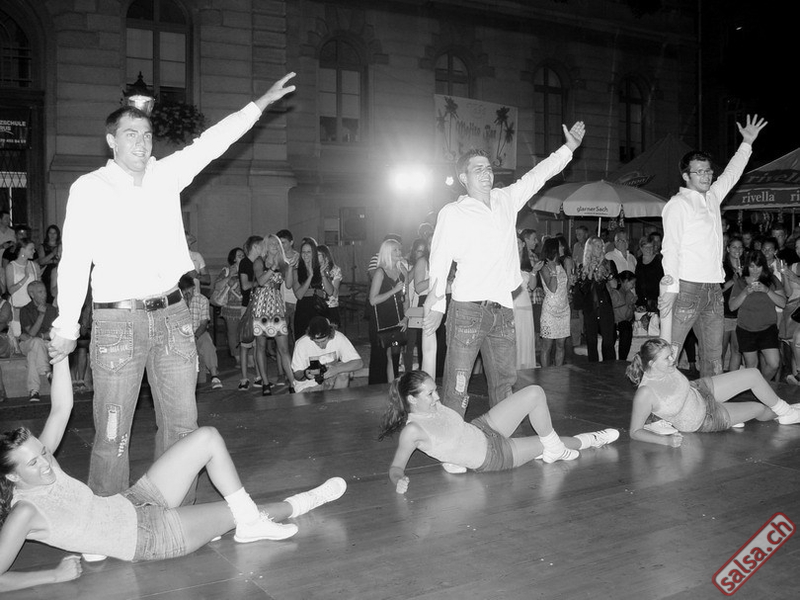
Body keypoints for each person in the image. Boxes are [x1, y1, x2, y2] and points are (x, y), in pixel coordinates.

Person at [49, 73, 298, 500]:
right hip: (118, 323)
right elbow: (73, 261)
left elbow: (213, 141)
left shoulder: (166, 174)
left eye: (147, 135)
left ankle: (174, 511)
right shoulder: (89, 188)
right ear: (111, 141)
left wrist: (259, 105)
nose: (141, 143)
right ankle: (107, 521)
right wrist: (67, 326)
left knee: (183, 428)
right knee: (112, 434)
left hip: (173, 317)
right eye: (131, 134)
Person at [0, 357, 347, 592]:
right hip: (149, 538)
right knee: (243, 513)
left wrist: (61, 355)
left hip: (134, 500)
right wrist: (54, 575)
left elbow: (61, 409)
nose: (46, 462)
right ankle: (304, 501)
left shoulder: (43, 464)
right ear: (13, 478)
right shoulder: (25, 512)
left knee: (207, 438)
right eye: (33, 464)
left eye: (43, 452)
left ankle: (247, 521)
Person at [424, 121, 585, 416]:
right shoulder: (453, 212)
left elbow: (538, 175)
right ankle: (451, 438)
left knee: (504, 385)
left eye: (488, 168)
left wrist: (568, 148)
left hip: (503, 310)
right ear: (463, 177)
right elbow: (439, 259)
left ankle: (500, 434)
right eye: (478, 169)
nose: (486, 173)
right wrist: (435, 305)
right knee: (457, 387)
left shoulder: (505, 199)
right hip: (468, 310)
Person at [380, 371, 619, 493]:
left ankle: (554, 447)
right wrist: (399, 480)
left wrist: (450, 459)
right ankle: (592, 439)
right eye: (430, 394)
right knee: (547, 443)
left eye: (435, 390)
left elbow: (451, 432)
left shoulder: (434, 405)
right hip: (494, 456)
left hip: (484, 427)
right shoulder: (412, 431)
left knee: (535, 393)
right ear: (412, 399)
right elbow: (396, 468)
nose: (437, 396)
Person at [659, 115, 768, 377]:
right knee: (668, 355)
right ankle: (656, 401)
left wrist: (746, 143)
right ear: (686, 176)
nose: (706, 176)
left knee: (713, 358)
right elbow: (670, 248)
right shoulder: (678, 204)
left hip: (713, 289)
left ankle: (710, 402)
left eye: (708, 171)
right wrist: (671, 289)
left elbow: (731, 173)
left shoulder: (712, 197)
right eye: (699, 172)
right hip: (686, 288)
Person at [625, 338, 800, 447]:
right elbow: (635, 431)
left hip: (700, 390)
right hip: (704, 418)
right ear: (652, 364)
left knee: (753, 374)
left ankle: (786, 411)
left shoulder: (664, 366)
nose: (673, 359)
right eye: (667, 358)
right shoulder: (645, 393)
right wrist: (666, 441)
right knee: (759, 408)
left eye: (671, 354)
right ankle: (785, 413)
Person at [728, 250, 785, 380]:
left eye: (758, 266)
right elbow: (732, 306)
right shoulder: (741, 281)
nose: (755, 270)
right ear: (747, 266)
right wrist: (745, 292)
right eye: (752, 266)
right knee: (752, 366)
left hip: (767, 328)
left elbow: (782, 303)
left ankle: (760, 384)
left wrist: (767, 290)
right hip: (746, 329)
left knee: (774, 363)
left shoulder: (771, 280)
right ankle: (756, 386)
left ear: (763, 266)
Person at [254, 234, 294, 394]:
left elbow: (289, 285)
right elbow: (261, 281)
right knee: (261, 346)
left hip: (276, 304)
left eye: (277, 243)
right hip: (261, 304)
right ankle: (265, 383)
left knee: (283, 348)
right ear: (265, 245)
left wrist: (289, 268)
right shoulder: (259, 261)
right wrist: (272, 268)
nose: (275, 246)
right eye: (271, 243)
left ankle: (293, 383)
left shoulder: (283, 263)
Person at [369, 238, 408, 382]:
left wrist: (406, 318)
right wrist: (393, 291)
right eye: (395, 250)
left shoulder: (403, 271)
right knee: (380, 357)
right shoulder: (380, 272)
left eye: (399, 249)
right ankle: (377, 388)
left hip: (398, 319)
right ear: (387, 253)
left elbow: (406, 298)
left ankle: (393, 387)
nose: (399, 252)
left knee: (394, 356)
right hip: (381, 319)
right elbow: (373, 300)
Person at [291, 316, 363, 392]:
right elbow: (297, 375)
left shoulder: (338, 337)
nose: (321, 345)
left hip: (331, 380)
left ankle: (337, 398)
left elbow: (359, 363)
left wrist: (336, 369)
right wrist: (306, 373)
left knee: (344, 371)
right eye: (316, 342)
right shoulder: (302, 343)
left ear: (330, 335)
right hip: (308, 386)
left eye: (323, 341)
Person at [574, 236, 616, 362]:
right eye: (597, 246)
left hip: (605, 307)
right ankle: (593, 370)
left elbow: (615, 285)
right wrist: (590, 272)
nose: (601, 248)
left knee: (608, 342)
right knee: (591, 343)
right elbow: (583, 290)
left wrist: (607, 273)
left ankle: (610, 368)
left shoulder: (608, 263)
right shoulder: (582, 267)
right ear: (590, 248)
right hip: (590, 308)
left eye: (601, 246)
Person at [178, 275, 222, 389]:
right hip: (180, 334)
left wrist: (195, 336)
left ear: (193, 287)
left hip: (198, 332)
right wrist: (185, 304)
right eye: (184, 290)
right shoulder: (177, 302)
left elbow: (203, 324)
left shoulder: (202, 300)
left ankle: (214, 376)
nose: (187, 293)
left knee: (207, 344)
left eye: (189, 289)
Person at [19, 281, 58, 402]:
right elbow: (31, 332)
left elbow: (53, 332)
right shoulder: (25, 310)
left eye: (45, 291)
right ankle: (46, 371)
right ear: (32, 294)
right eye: (40, 292)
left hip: (43, 343)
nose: (44, 294)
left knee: (33, 354)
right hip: (27, 344)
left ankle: (34, 391)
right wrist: (41, 315)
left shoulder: (51, 309)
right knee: (35, 342)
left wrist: (40, 335)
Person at [293, 237, 331, 342]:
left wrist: (322, 274)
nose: (306, 254)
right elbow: (299, 295)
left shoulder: (321, 268)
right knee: (303, 341)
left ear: (313, 253)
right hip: (303, 309)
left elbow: (330, 291)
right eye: (303, 252)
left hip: (319, 308)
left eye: (309, 252)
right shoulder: (296, 271)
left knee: (320, 340)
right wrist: (310, 276)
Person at [539, 237, 570, 367]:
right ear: (554, 249)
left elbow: (565, 287)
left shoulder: (561, 264)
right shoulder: (545, 267)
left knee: (561, 345)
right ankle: (545, 374)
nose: (562, 248)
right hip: (550, 310)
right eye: (560, 246)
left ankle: (559, 372)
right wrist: (553, 271)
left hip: (564, 308)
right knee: (547, 345)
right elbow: (552, 288)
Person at [238, 236, 264, 391]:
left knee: (258, 344)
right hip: (247, 307)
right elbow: (245, 285)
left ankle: (259, 377)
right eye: (262, 246)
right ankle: (244, 378)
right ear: (255, 246)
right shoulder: (245, 263)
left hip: (259, 307)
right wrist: (261, 282)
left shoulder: (261, 262)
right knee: (245, 344)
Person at [214, 247, 245, 364]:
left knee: (247, 332)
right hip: (230, 308)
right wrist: (229, 276)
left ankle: (249, 357)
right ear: (233, 259)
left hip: (246, 307)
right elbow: (217, 286)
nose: (242, 257)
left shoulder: (249, 269)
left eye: (243, 255)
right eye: (239, 255)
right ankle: (237, 357)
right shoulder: (227, 271)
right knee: (232, 333)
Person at [5, 239, 41, 339]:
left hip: (31, 309)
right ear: (22, 250)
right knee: (17, 336)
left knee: (31, 338)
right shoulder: (11, 266)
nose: (34, 251)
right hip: (17, 307)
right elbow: (10, 290)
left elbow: (39, 287)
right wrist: (25, 277)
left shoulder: (34, 266)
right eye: (31, 249)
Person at [721, 236, 744, 372]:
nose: (737, 250)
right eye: (734, 247)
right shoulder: (722, 267)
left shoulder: (747, 267)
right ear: (728, 249)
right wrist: (734, 279)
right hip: (724, 313)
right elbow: (719, 289)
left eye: (740, 247)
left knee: (737, 349)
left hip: (741, 313)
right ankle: (718, 380)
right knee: (721, 350)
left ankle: (732, 378)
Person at [609, 271, 637, 361]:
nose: (633, 286)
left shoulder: (629, 294)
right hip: (612, 321)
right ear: (625, 281)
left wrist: (632, 306)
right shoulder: (614, 292)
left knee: (627, 327)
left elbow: (629, 315)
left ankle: (622, 359)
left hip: (623, 322)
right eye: (632, 283)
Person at [634, 235, 663, 313]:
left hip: (656, 300)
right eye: (646, 247)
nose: (649, 249)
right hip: (641, 299)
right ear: (641, 248)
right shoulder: (638, 261)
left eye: (651, 247)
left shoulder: (659, 260)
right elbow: (638, 281)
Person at [318, 244, 342, 327]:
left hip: (331, 306)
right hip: (317, 306)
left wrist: (325, 274)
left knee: (331, 332)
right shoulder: (313, 269)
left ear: (325, 256)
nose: (315, 257)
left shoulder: (335, 270)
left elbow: (334, 293)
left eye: (318, 255)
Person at [37, 225, 62, 304]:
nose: (52, 235)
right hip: (47, 273)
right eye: (50, 233)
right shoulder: (43, 246)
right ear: (47, 234)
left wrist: (53, 261)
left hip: (58, 271)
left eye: (54, 233)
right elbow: (41, 261)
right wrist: (52, 254)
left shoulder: (61, 246)